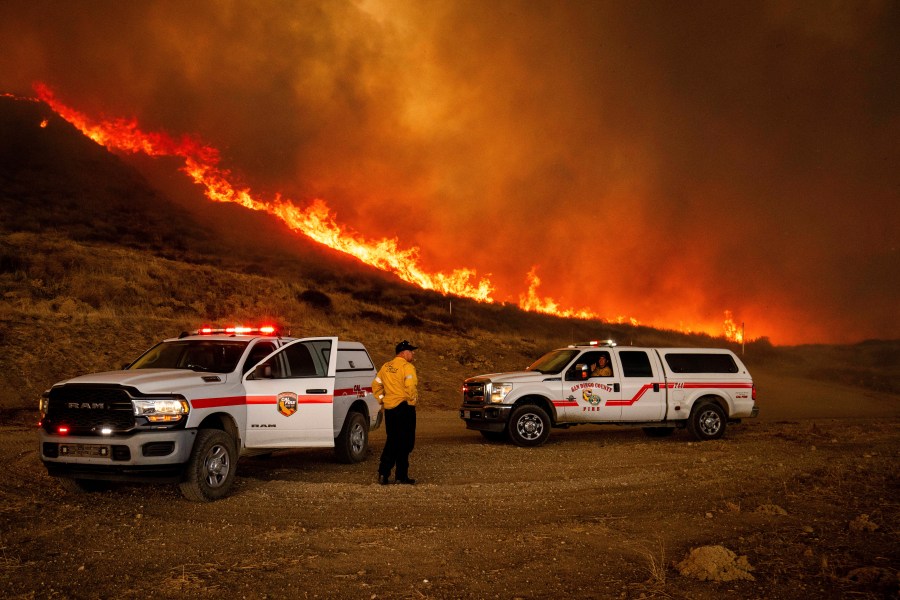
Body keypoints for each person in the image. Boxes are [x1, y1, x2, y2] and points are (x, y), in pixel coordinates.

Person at [373, 340, 419, 485]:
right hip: (404, 408)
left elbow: (376, 384)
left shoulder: (386, 367)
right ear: (403, 352)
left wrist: (382, 399)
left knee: (392, 440)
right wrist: (411, 402)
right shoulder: (407, 367)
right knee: (405, 442)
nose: (413, 353)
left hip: (390, 409)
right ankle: (401, 476)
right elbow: (410, 386)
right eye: (411, 351)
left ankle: (383, 473)